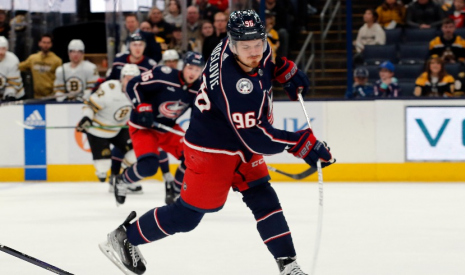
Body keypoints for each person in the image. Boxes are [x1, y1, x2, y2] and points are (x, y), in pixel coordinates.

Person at [99, 10, 333, 275]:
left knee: (264, 198)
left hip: (239, 142)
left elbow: (265, 60)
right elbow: (258, 137)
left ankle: (288, 266)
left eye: (259, 43)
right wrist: (302, 143)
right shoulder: (233, 84)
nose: (255, 51)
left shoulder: (245, 44)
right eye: (247, 47)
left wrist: (281, 69)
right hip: (211, 149)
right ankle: (126, 237)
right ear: (232, 45)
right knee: (187, 216)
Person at [111, 51, 204, 206]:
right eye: (190, 68)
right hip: (143, 127)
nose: (193, 73)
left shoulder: (199, 88)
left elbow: (197, 115)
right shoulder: (163, 74)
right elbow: (133, 84)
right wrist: (141, 106)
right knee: (149, 167)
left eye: (197, 69)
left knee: (193, 158)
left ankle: (174, 191)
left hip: (167, 128)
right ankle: (122, 180)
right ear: (183, 66)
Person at [76, 64, 139, 189]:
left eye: (133, 78)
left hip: (118, 128)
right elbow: (90, 105)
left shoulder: (139, 92)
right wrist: (86, 118)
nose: (130, 81)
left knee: (137, 152)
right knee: (104, 165)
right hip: (97, 130)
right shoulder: (109, 88)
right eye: (127, 78)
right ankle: (101, 171)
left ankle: (119, 178)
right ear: (122, 78)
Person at [18, 34, 62, 98]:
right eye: (44, 42)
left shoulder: (57, 60)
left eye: (48, 43)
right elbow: (18, 67)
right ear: (39, 43)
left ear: (51, 44)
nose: (46, 45)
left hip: (52, 96)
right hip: (36, 96)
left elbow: (60, 79)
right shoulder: (33, 58)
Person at [0, 36, 23, 101]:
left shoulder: (13, 59)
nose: (1, 52)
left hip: (15, 95)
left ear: (7, 48)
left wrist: (9, 96)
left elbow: (13, 83)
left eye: (3, 49)